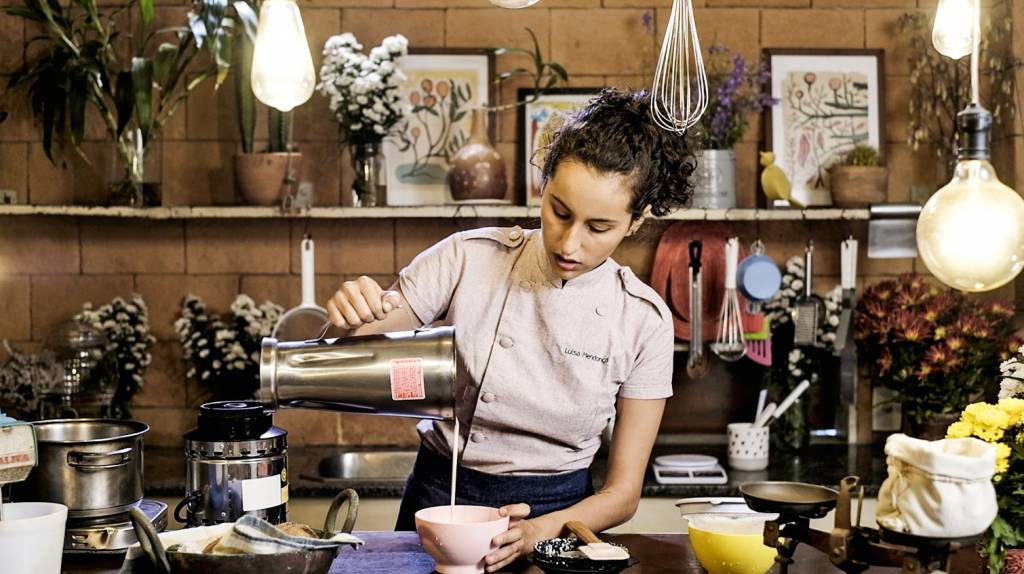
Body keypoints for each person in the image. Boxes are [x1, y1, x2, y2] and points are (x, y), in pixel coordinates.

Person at [325, 88, 696, 572]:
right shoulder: (467, 257)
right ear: (543, 185)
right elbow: (352, 343)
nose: (569, 242)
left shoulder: (643, 319)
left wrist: (542, 529)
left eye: (598, 226)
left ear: (635, 222)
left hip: (560, 517)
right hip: (443, 497)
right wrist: (347, 315)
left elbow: (623, 494)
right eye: (560, 211)